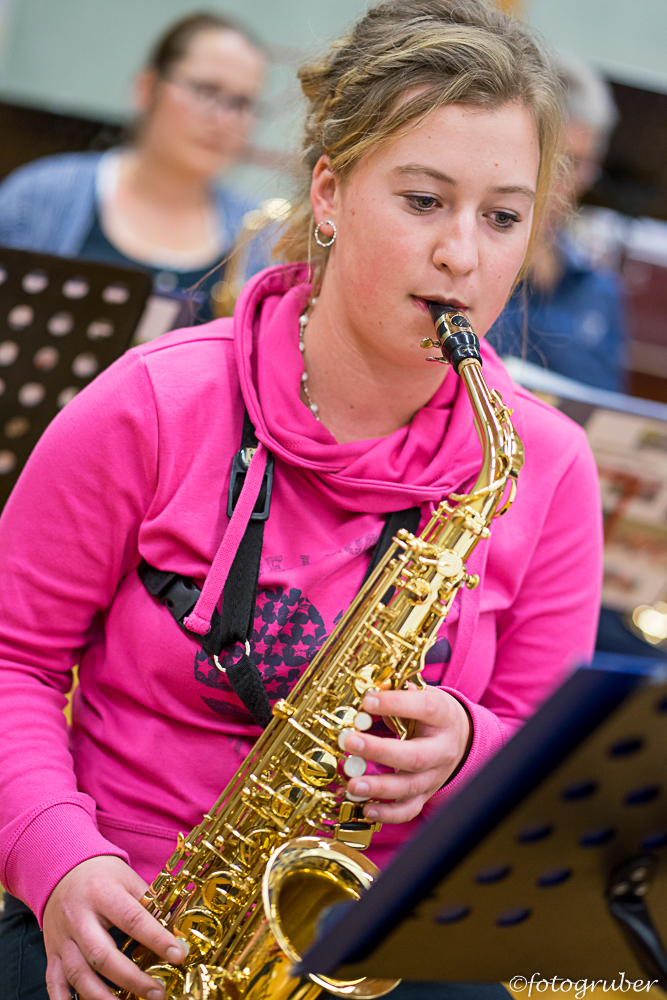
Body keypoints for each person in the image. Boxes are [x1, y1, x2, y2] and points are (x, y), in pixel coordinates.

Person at [0, 2, 603, 999]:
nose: (463, 255)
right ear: (328, 193)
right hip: (115, 915)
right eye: (423, 201)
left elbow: (547, 757)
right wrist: (55, 855)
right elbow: (11, 656)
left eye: (502, 217)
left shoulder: (546, 463)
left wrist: (467, 745)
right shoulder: (152, 402)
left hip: (379, 942)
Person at [0, 12, 267, 323]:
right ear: (147, 87)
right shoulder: (38, 197)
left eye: (241, 104)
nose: (223, 120)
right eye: (206, 91)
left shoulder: (261, 239)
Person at [488, 55, 629, 391]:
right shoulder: (471, 263)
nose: (564, 180)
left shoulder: (599, 290)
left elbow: (608, 405)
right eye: (556, 159)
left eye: (580, 163)